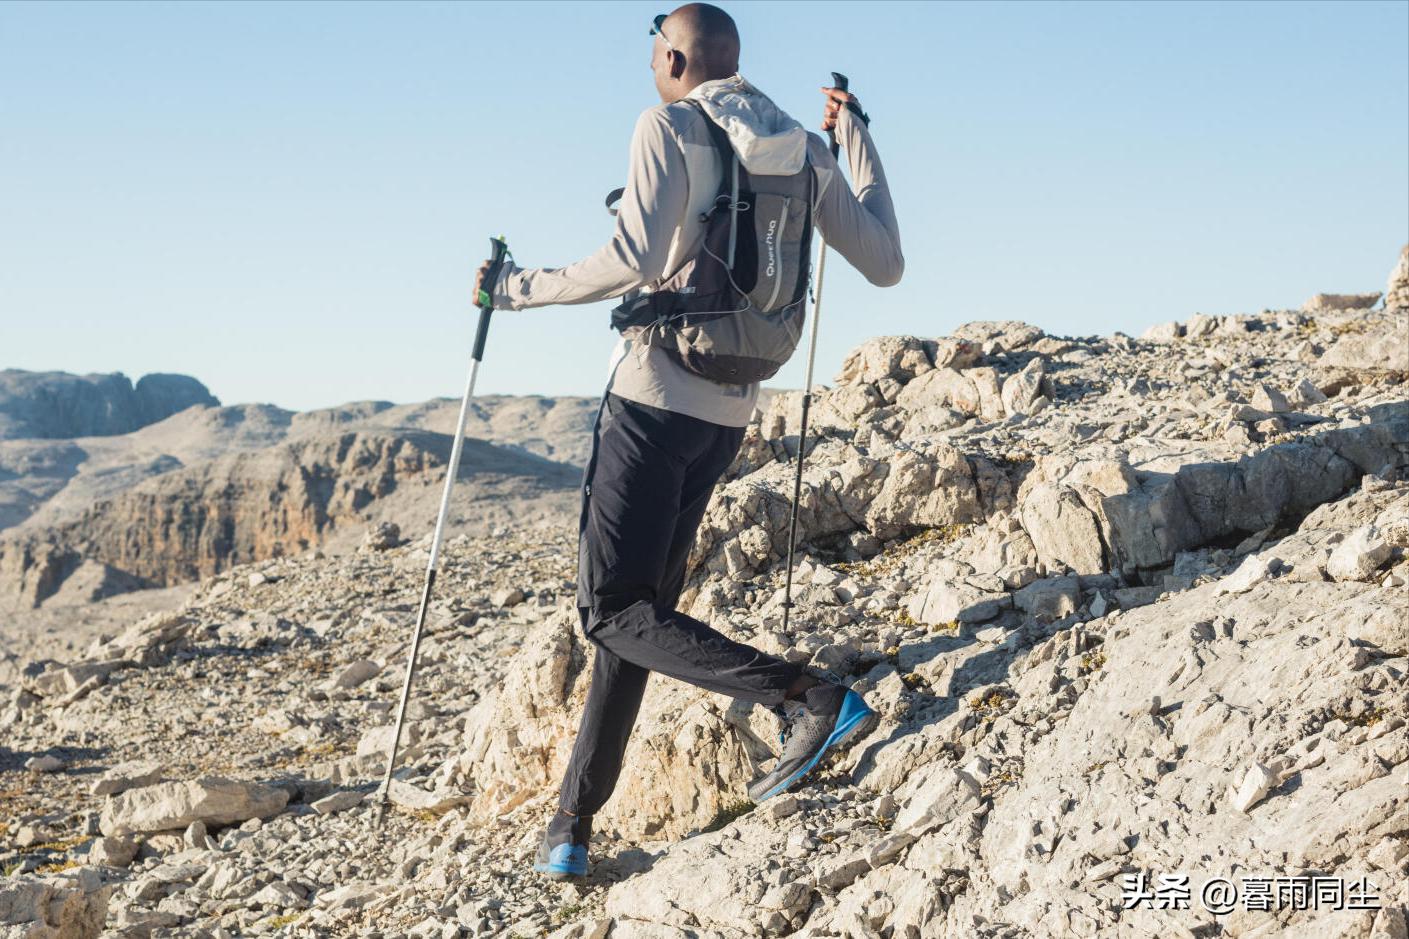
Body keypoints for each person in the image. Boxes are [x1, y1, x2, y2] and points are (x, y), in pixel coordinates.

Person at [474, 2, 903, 880]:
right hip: (728, 412)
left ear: (672, 57)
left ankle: (807, 697)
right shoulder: (802, 144)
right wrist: (854, 133)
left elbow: (632, 257)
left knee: (612, 610)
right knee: (636, 617)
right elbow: (885, 259)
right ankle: (571, 824)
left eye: (653, 51)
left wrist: (514, 290)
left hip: (653, 399)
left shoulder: (666, 124)